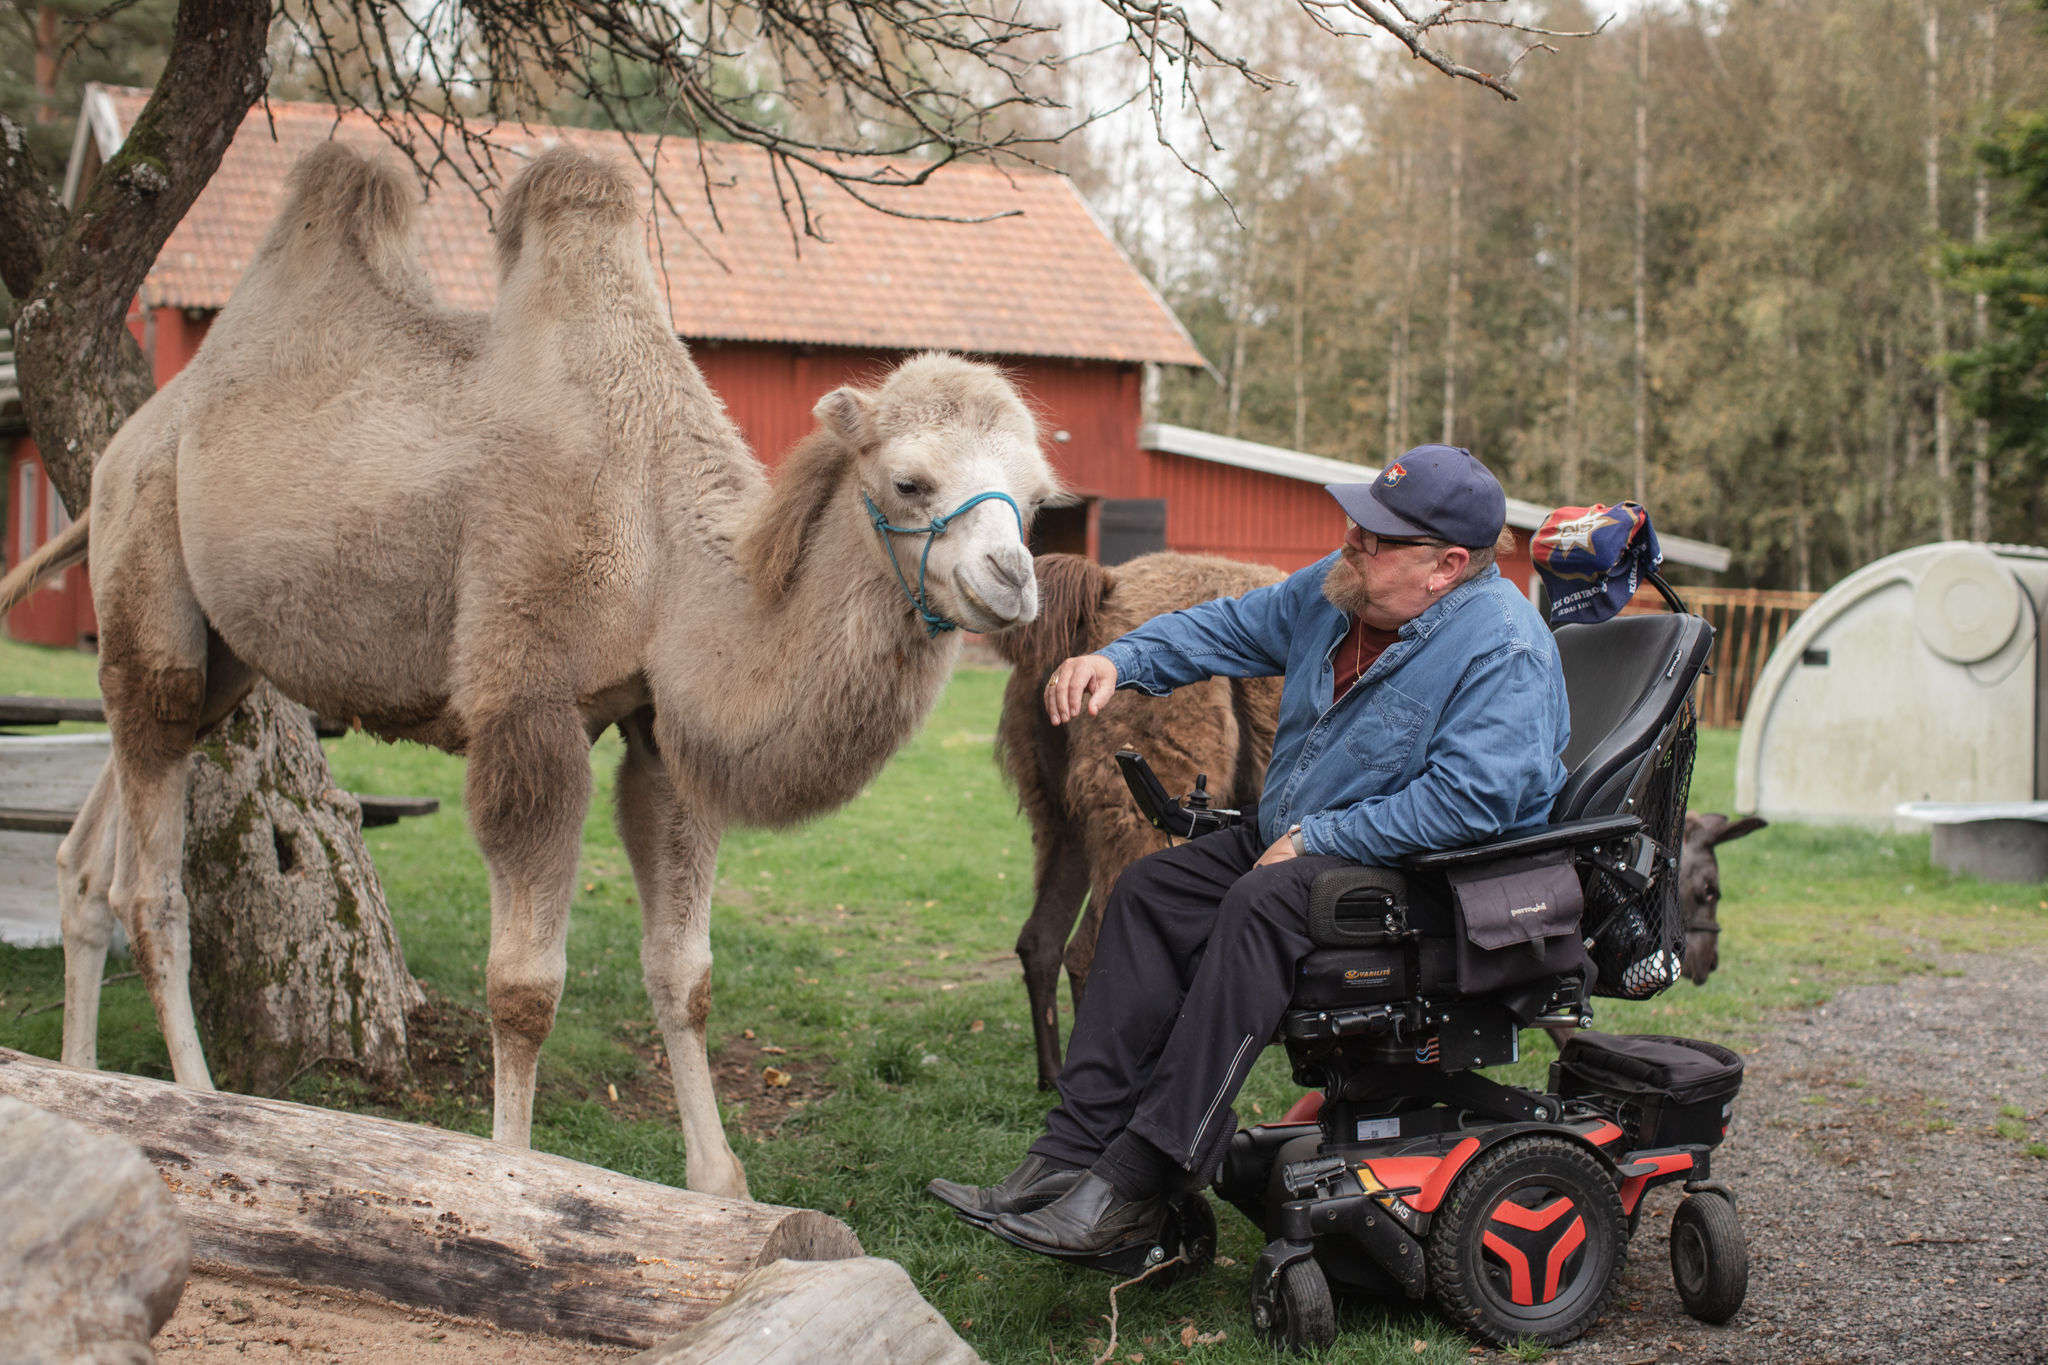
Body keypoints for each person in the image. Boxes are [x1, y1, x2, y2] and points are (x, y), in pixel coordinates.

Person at [927, 444, 1572, 1257]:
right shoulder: (1339, 593)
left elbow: (1474, 800)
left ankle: (1141, 1175)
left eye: (1378, 538)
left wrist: (1318, 836)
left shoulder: (1501, 647)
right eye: (1357, 523)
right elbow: (1229, 626)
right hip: (1312, 842)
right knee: (1150, 890)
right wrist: (1118, 658)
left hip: (1431, 878)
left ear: (1447, 565)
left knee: (1260, 903)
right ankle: (1067, 1156)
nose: (1352, 542)